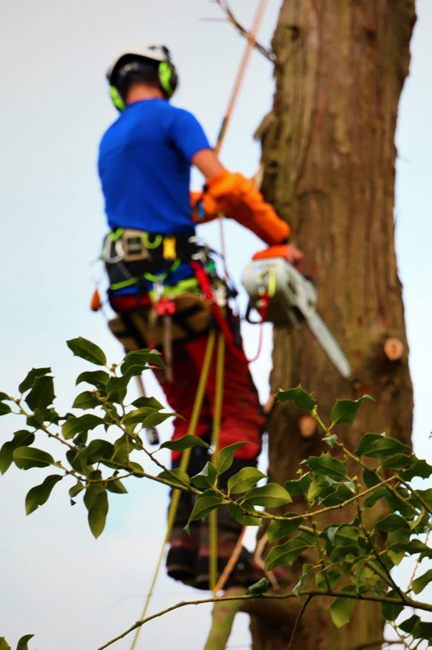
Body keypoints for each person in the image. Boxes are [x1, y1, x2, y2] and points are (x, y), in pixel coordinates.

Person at [98, 44, 300, 590]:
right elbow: (225, 185)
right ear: (165, 77)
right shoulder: (174, 118)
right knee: (236, 415)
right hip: (181, 292)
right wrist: (279, 237)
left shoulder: (113, 139)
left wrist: (215, 203)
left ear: (120, 89)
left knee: (192, 420)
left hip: (136, 303)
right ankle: (228, 549)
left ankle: (183, 546)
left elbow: (168, 209)